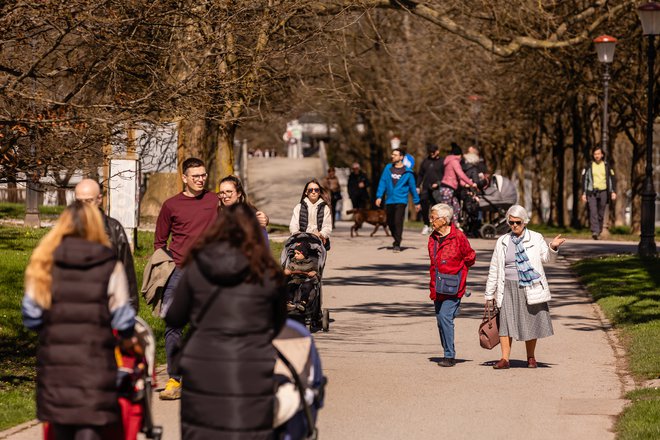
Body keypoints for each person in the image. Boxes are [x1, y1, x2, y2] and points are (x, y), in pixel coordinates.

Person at [165, 203, 287, 439]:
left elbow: (175, 316)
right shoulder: (268, 273)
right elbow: (278, 323)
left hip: (202, 367)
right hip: (252, 366)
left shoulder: (197, 267)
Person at [22, 201, 137, 439]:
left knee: (61, 428)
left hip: (56, 366)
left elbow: (31, 315)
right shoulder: (109, 265)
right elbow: (123, 318)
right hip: (95, 363)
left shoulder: (44, 262)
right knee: (90, 428)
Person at [154, 157, 219, 400]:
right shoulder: (171, 205)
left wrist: (260, 217)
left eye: (203, 175)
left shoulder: (214, 200)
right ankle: (174, 378)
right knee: (173, 325)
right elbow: (160, 241)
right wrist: (163, 268)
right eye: (195, 176)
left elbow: (239, 203)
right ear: (184, 178)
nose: (201, 179)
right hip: (178, 271)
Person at [485, 204, 566, 369]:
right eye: (511, 222)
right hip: (507, 287)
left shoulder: (536, 238)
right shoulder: (502, 241)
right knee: (506, 323)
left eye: (518, 222)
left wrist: (553, 247)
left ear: (525, 222)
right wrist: (489, 294)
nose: (514, 225)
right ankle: (504, 359)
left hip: (528, 286)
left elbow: (547, 258)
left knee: (529, 322)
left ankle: (531, 357)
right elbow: (494, 268)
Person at [75, 178, 139, 312]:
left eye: (88, 201)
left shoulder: (114, 229)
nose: (84, 206)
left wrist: (131, 310)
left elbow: (127, 272)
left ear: (99, 199)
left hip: (106, 304)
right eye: (79, 201)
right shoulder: (66, 228)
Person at [427, 203, 476, 367]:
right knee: (440, 320)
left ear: (444, 219)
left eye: (433, 217)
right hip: (437, 285)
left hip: (454, 285)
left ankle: (449, 355)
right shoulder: (432, 237)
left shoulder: (459, 237)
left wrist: (459, 272)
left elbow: (470, 257)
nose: (431, 220)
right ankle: (447, 351)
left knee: (444, 317)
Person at [375, 148, 421, 253]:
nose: (392, 156)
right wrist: (379, 196)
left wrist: (416, 202)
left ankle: (397, 243)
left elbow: (413, 188)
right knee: (390, 222)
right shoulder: (388, 169)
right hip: (389, 200)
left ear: (401, 157)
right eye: (392, 154)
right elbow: (382, 182)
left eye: (395, 155)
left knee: (398, 221)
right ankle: (396, 238)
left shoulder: (408, 172)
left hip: (401, 200)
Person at [218, 175, 270, 244]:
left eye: (229, 191)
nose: (224, 196)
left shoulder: (252, 215)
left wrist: (265, 219)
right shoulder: (218, 213)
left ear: (239, 193)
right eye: (222, 193)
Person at [581, 147, 617, 240]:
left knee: (601, 212)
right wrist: (584, 193)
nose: (597, 156)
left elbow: (611, 179)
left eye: (598, 154)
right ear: (593, 155)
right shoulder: (589, 165)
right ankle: (595, 231)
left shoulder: (606, 166)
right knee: (593, 211)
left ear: (602, 155)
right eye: (595, 154)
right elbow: (585, 180)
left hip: (604, 191)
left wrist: (613, 191)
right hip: (592, 192)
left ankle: (599, 230)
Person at [438, 142, 477, 226]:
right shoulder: (454, 161)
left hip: (450, 188)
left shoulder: (450, 161)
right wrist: (471, 183)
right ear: (459, 155)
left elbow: (458, 178)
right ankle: (444, 226)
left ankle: (454, 224)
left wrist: (465, 185)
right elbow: (461, 174)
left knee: (456, 206)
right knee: (446, 210)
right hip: (447, 188)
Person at [289, 179, 332, 248]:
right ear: (306, 192)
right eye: (310, 190)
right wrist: (296, 233)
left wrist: (321, 234)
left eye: (316, 190)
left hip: (319, 242)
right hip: (302, 241)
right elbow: (293, 225)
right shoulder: (298, 207)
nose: (313, 192)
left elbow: (327, 226)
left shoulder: (325, 208)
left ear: (319, 192)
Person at [417, 144, 444, 235]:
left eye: (433, 152)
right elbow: (420, 174)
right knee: (424, 206)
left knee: (436, 208)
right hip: (425, 188)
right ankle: (426, 224)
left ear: (437, 151)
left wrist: (439, 183)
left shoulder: (442, 162)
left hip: (437, 189)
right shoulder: (425, 161)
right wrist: (417, 186)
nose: (431, 154)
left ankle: (436, 226)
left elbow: (445, 176)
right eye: (430, 152)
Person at [284, 241, 319, 311]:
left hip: (307, 280)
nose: (295, 255)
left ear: (304, 254)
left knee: (307, 287)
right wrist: (286, 272)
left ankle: (303, 303)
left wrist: (314, 272)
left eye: (298, 253)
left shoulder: (311, 263)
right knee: (290, 286)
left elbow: (317, 272)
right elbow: (287, 270)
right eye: (294, 253)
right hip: (295, 279)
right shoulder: (292, 262)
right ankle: (289, 302)